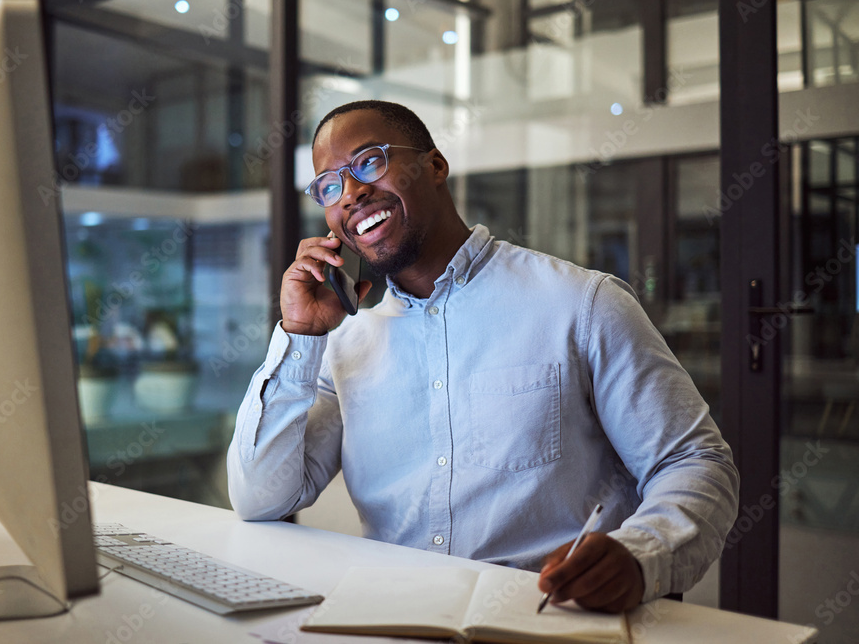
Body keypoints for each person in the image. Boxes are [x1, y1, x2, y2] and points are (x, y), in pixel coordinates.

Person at [227, 100, 739, 613]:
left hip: (548, 621)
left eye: (369, 162)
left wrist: (639, 556)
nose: (353, 193)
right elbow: (261, 497)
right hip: (394, 619)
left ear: (434, 166)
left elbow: (694, 462)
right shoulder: (346, 343)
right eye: (330, 185)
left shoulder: (582, 304)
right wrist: (299, 335)